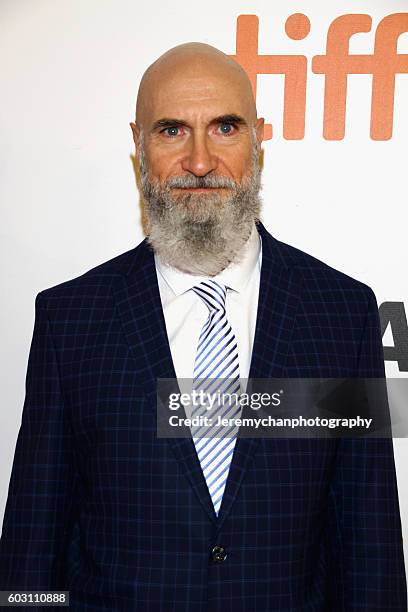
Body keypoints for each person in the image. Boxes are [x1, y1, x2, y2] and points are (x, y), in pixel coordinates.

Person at [0, 42, 406, 611]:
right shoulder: (72, 319)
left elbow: (369, 542)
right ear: (139, 146)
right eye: (171, 131)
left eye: (224, 128)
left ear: (259, 141)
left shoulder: (341, 313)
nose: (198, 162)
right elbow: (31, 544)